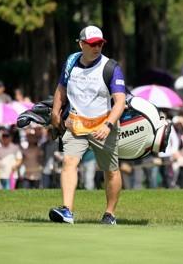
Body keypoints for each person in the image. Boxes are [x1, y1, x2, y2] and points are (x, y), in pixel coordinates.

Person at [49, 25, 126, 225]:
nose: (97, 48)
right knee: (69, 163)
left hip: (103, 125)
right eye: (92, 44)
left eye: (100, 44)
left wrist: (108, 125)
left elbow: (120, 102)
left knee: (111, 170)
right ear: (81, 44)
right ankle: (67, 211)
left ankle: (110, 214)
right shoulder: (71, 61)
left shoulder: (111, 67)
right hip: (76, 124)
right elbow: (61, 88)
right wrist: (55, 112)